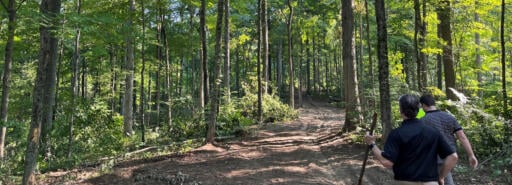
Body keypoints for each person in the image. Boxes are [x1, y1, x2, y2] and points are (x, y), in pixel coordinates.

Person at [365, 94, 458, 185]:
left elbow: (387, 162)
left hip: (405, 181)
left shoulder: (396, 133)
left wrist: (372, 144)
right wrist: (441, 176)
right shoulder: (433, 133)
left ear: (401, 110)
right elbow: (453, 157)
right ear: (418, 110)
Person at [420, 94, 478, 185]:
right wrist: (471, 155)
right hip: (450, 157)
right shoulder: (449, 117)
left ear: (423, 105)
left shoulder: (422, 121)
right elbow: (462, 137)